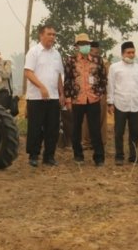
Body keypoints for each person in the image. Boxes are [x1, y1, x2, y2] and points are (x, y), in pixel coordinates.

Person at [63, 33, 107, 167]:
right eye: (82, 44)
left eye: (87, 44)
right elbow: (68, 80)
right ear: (77, 46)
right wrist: (68, 99)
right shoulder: (71, 61)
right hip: (77, 100)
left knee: (95, 129)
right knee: (76, 129)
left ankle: (99, 158)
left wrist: (98, 93)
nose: (85, 46)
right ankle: (78, 155)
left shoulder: (97, 60)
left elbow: (103, 79)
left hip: (93, 99)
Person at [24, 25, 65, 167]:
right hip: (36, 98)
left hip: (53, 97)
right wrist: (41, 87)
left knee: (52, 128)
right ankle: (34, 155)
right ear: (41, 35)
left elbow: (59, 75)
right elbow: (28, 72)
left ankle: (49, 156)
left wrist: (62, 93)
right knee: (35, 127)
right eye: (49, 34)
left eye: (54, 34)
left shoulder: (56, 54)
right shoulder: (33, 52)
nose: (52, 37)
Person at [107, 41, 138, 166]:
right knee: (119, 131)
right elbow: (111, 86)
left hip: (135, 104)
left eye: (133, 52)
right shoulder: (114, 67)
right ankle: (119, 156)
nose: (131, 55)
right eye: (128, 52)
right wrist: (110, 102)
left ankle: (134, 156)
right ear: (122, 54)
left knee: (135, 132)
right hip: (120, 103)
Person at [81, 41, 109, 148]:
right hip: (86, 93)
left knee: (101, 118)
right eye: (92, 50)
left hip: (101, 94)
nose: (95, 52)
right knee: (86, 118)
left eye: (97, 51)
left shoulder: (104, 62)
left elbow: (107, 78)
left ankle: (101, 141)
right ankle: (86, 141)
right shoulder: (83, 61)